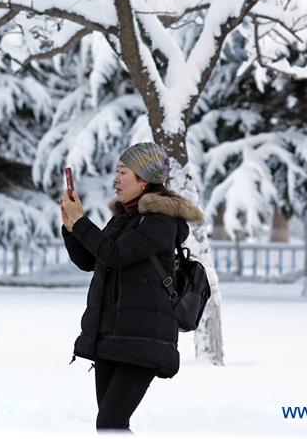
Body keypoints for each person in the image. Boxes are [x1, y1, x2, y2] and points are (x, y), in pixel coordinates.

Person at [59, 142, 204, 433]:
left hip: (143, 339)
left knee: (111, 423)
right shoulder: (125, 218)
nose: (116, 179)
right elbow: (92, 260)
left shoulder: (160, 221)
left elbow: (116, 254)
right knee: (110, 426)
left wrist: (82, 222)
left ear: (144, 179)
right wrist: (71, 227)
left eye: (123, 172)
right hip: (113, 337)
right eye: (117, 171)